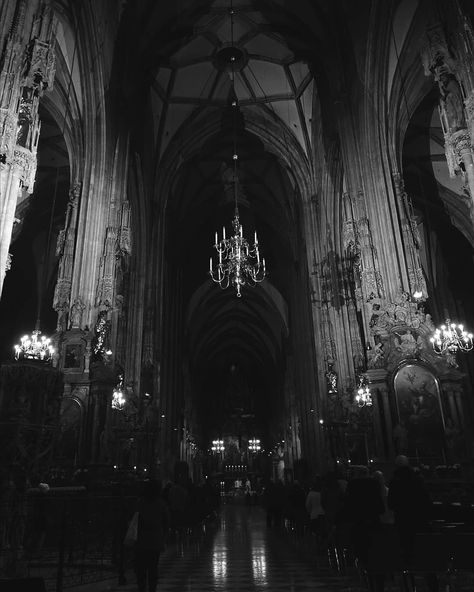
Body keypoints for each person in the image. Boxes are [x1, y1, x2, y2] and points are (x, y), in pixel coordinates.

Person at [387, 456, 438, 592]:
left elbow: (391, 504)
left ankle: (410, 586)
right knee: (426, 557)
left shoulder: (395, 482)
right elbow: (427, 500)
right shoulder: (418, 479)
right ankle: (433, 586)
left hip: (404, 524)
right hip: (421, 523)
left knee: (408, 558)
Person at [134, 479, 169, 592]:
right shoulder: (161, 503)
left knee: (141, 567)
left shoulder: (140, 502)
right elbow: (166, 521)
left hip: (142, 539)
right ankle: (152, 588)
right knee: (153, 567)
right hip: (155, 539)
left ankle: (142, 587)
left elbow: (135, 519)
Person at [305, 479, 326, 551]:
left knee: (314, 532)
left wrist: (309, 512)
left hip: (313, 514)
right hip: (322, 514)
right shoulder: (322, 493)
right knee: (321, 531)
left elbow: (307, 504)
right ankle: (322, 546)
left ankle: (316, 546)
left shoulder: (311, 494)